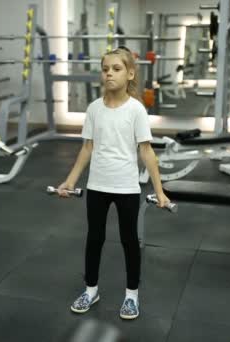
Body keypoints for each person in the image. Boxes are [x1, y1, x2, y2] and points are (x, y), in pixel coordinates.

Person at [55, 46, 170, 320]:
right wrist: (70, 181)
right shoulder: (94, 108)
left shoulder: (136, 110)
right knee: (94, 239)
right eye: (105, 69)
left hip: (127, 188)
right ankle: (91, 290)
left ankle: (132, 296)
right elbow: (86, 148)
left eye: (116, 69)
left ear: (130, 74)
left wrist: (159, 191)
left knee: (129, 241)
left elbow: (146, 152)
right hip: (97, 186)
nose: (109, 74)